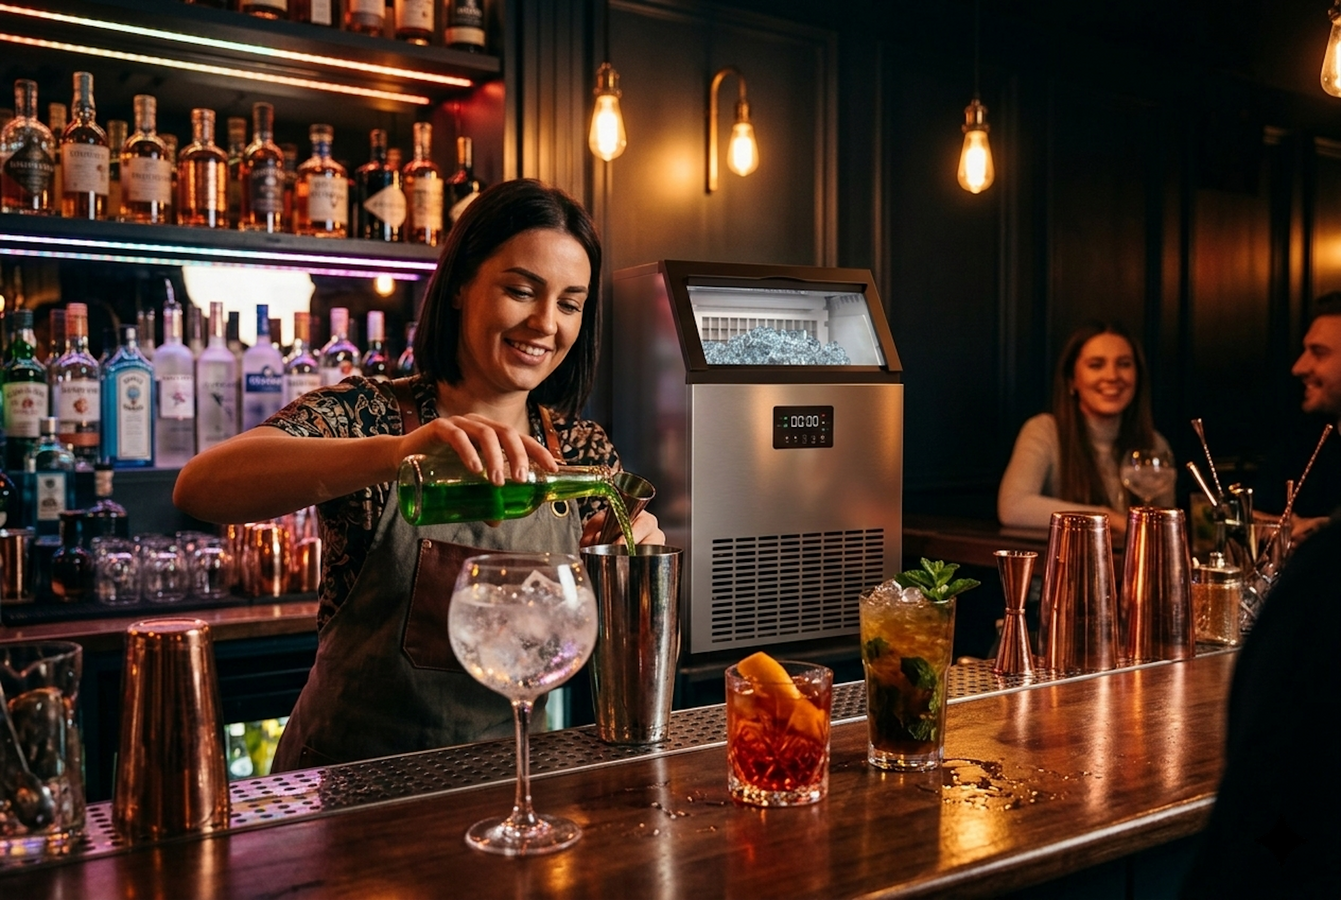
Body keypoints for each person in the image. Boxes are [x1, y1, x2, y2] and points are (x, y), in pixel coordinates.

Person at [174, 179, 663, 770]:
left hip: (501, 782)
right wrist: (398, 453)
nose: (544, 323)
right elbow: (200, 487)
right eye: (520, 291)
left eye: (569, 304)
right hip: (350, 786)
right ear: (459, 286)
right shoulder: (371, 413)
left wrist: (635, 560)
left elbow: (616, 636)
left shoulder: (579, 452)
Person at [997, 321, 1173, 536]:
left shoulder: (1155, 443)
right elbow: (1013, 507)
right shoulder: (1045, 431)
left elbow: (1164, 529)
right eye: (1096, 365)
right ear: (1072, 380)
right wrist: (1109, 518)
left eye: (1124, 364)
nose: (1112, 376)